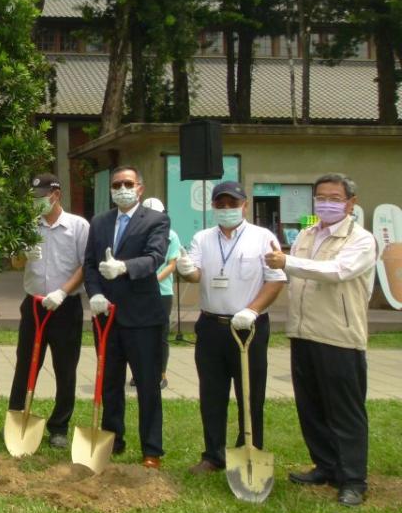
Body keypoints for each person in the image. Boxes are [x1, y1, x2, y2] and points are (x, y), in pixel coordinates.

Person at [264, 174, 376, 507]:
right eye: (321, 197)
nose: (327, 203)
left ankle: (353, 478)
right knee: (310, 405)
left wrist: (288, 261)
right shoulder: (307, 235)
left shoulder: (361, 239)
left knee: (344, 410)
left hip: (339, 335)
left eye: (335, 197)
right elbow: (290, 272)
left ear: (350, 202)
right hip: (303, 331)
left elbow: (337, 271)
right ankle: (325, 466)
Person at [176, 181, 285, 475]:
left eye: (232, 204)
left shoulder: (263, 238)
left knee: (250, 395)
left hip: (248, 327)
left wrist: (252, 310)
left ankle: (248, 452)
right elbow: (196, 275)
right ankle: (213, 455)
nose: (227, 209)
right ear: (213, 207)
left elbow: (275, 280)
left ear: (245, 205)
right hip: (212, 326)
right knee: (212, 394)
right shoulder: (203, 238)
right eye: (221, 205)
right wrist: (187, 270)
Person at [83, 165, 169, 468]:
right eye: (117, 184)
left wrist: (124, 267)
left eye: (128, 184)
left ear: (140, 188)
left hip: (142, 317)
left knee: (147, 384)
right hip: (105, 315)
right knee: (109, 382)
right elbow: (90, 263)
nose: (122, 189)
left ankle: (151, 449)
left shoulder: (156, 221)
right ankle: (113, 439)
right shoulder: (100, 221)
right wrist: (94, 293)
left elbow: (155, 258)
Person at [8, 173, 88, 449]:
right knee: (25, 364)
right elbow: (17, 263)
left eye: (41, 197)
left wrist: (63, 291)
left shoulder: (78, 226)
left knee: (65, 368)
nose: (36, 202)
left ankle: (59, 427)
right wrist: (22, 254)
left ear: (56, 195)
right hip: (33, 304)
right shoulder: (28, 226)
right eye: (33, 198)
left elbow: (85, 265)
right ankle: (18, 417)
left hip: (65, 306)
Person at [142, 197, 181, 389]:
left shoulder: (171, 235)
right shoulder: (138, 233)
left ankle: (161, 373)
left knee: (160, 334)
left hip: (162, 291)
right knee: (140, 334)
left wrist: (153, 279)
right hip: (139, 291)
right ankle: (139, 373)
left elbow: (172, 264)